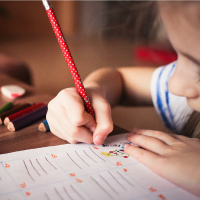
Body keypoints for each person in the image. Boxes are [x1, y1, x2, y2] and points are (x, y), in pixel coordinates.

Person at [46, 0, 200, 196]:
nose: (173, 84)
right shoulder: (186, 92)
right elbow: (120, 79)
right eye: (178, 56)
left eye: (198, 67)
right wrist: (95, 90)